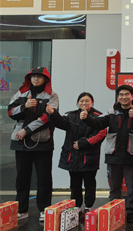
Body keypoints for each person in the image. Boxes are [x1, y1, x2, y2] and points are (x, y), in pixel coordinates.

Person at [82, 84, 133, 224]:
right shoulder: (111, 112)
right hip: (113, 156)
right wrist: (86, 118)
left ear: (132, 96)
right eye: (121, 95)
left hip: (131, 156)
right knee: (114, 188)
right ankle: (114, 211)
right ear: (118, 97)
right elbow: (98, 123)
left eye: (127, 94)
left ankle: (131, 213)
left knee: (132, 188)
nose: (124, 97)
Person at [8, 67, 59, 221]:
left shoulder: (52, 95)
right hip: (21, 143)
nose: (36, 79)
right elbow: (10, 112)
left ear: (45, 79)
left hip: (43, 142)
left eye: (39, 76)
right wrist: (24, 106)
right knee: (22, 177)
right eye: (33, 76)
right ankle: (21, 210)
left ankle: (44, 209)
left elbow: (47, 117)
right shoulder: (21, 93)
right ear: (29, 78)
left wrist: (26, 130)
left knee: (44, 178)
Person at [46, 92, 107, 212]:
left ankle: (88, 207)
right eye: (81, 101)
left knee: (89, 184)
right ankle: (76, 208)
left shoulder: (99, 116)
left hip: (89, 157)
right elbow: (60, 123)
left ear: (92, 102)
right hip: (72, 156)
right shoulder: (71, 115)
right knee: (74, 184)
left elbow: (101, 134)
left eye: (87, 101)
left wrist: (82, 143)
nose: (84, 103)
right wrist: (53, 113)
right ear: (77, 103)